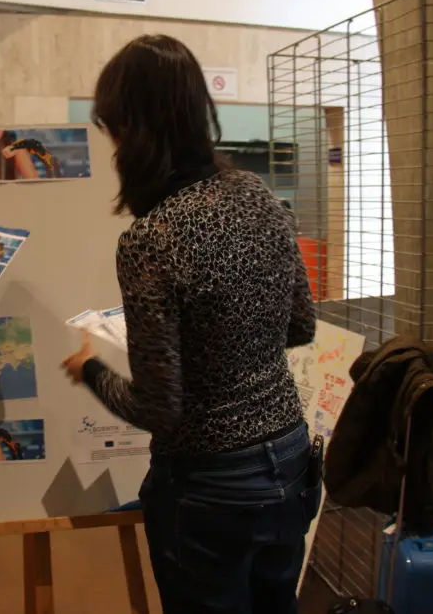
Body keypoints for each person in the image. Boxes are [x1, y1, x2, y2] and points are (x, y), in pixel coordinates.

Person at [61, 35, 319, 614]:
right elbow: (300, 325)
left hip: (210, 487)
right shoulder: (257, 195)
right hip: (289, 457)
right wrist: (231, 342)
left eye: (112, 128)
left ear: (132, 130)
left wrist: (90, 370)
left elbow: (160, 409)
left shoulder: (151, 238)